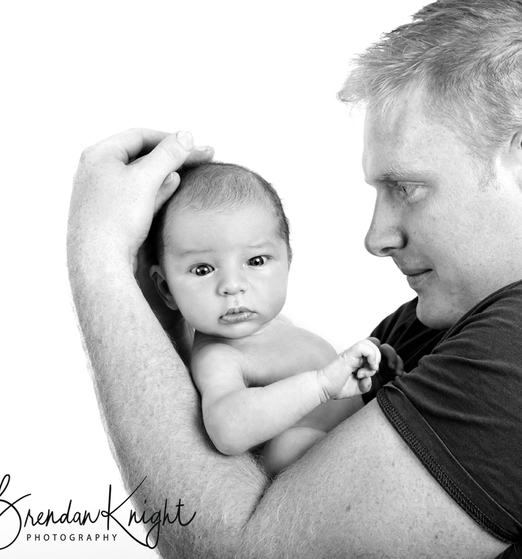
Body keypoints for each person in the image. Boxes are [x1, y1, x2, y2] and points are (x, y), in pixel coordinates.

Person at [67, 1, 522, 557]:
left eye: (406, 188)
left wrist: (100, 256)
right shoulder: (441, 330)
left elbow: (244, 546)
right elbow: (261, 477)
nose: (376, 235)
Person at [147, 161, 384, 475]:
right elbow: (227, 430)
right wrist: (320, 385)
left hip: (358, 438)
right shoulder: (220, 356)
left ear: (288, 260)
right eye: (203, 269)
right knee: (290, 445)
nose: (233, 285)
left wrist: (371, 374)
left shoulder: (275, 322)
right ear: (166, 289)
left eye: (256, 261)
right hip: (311, 475)